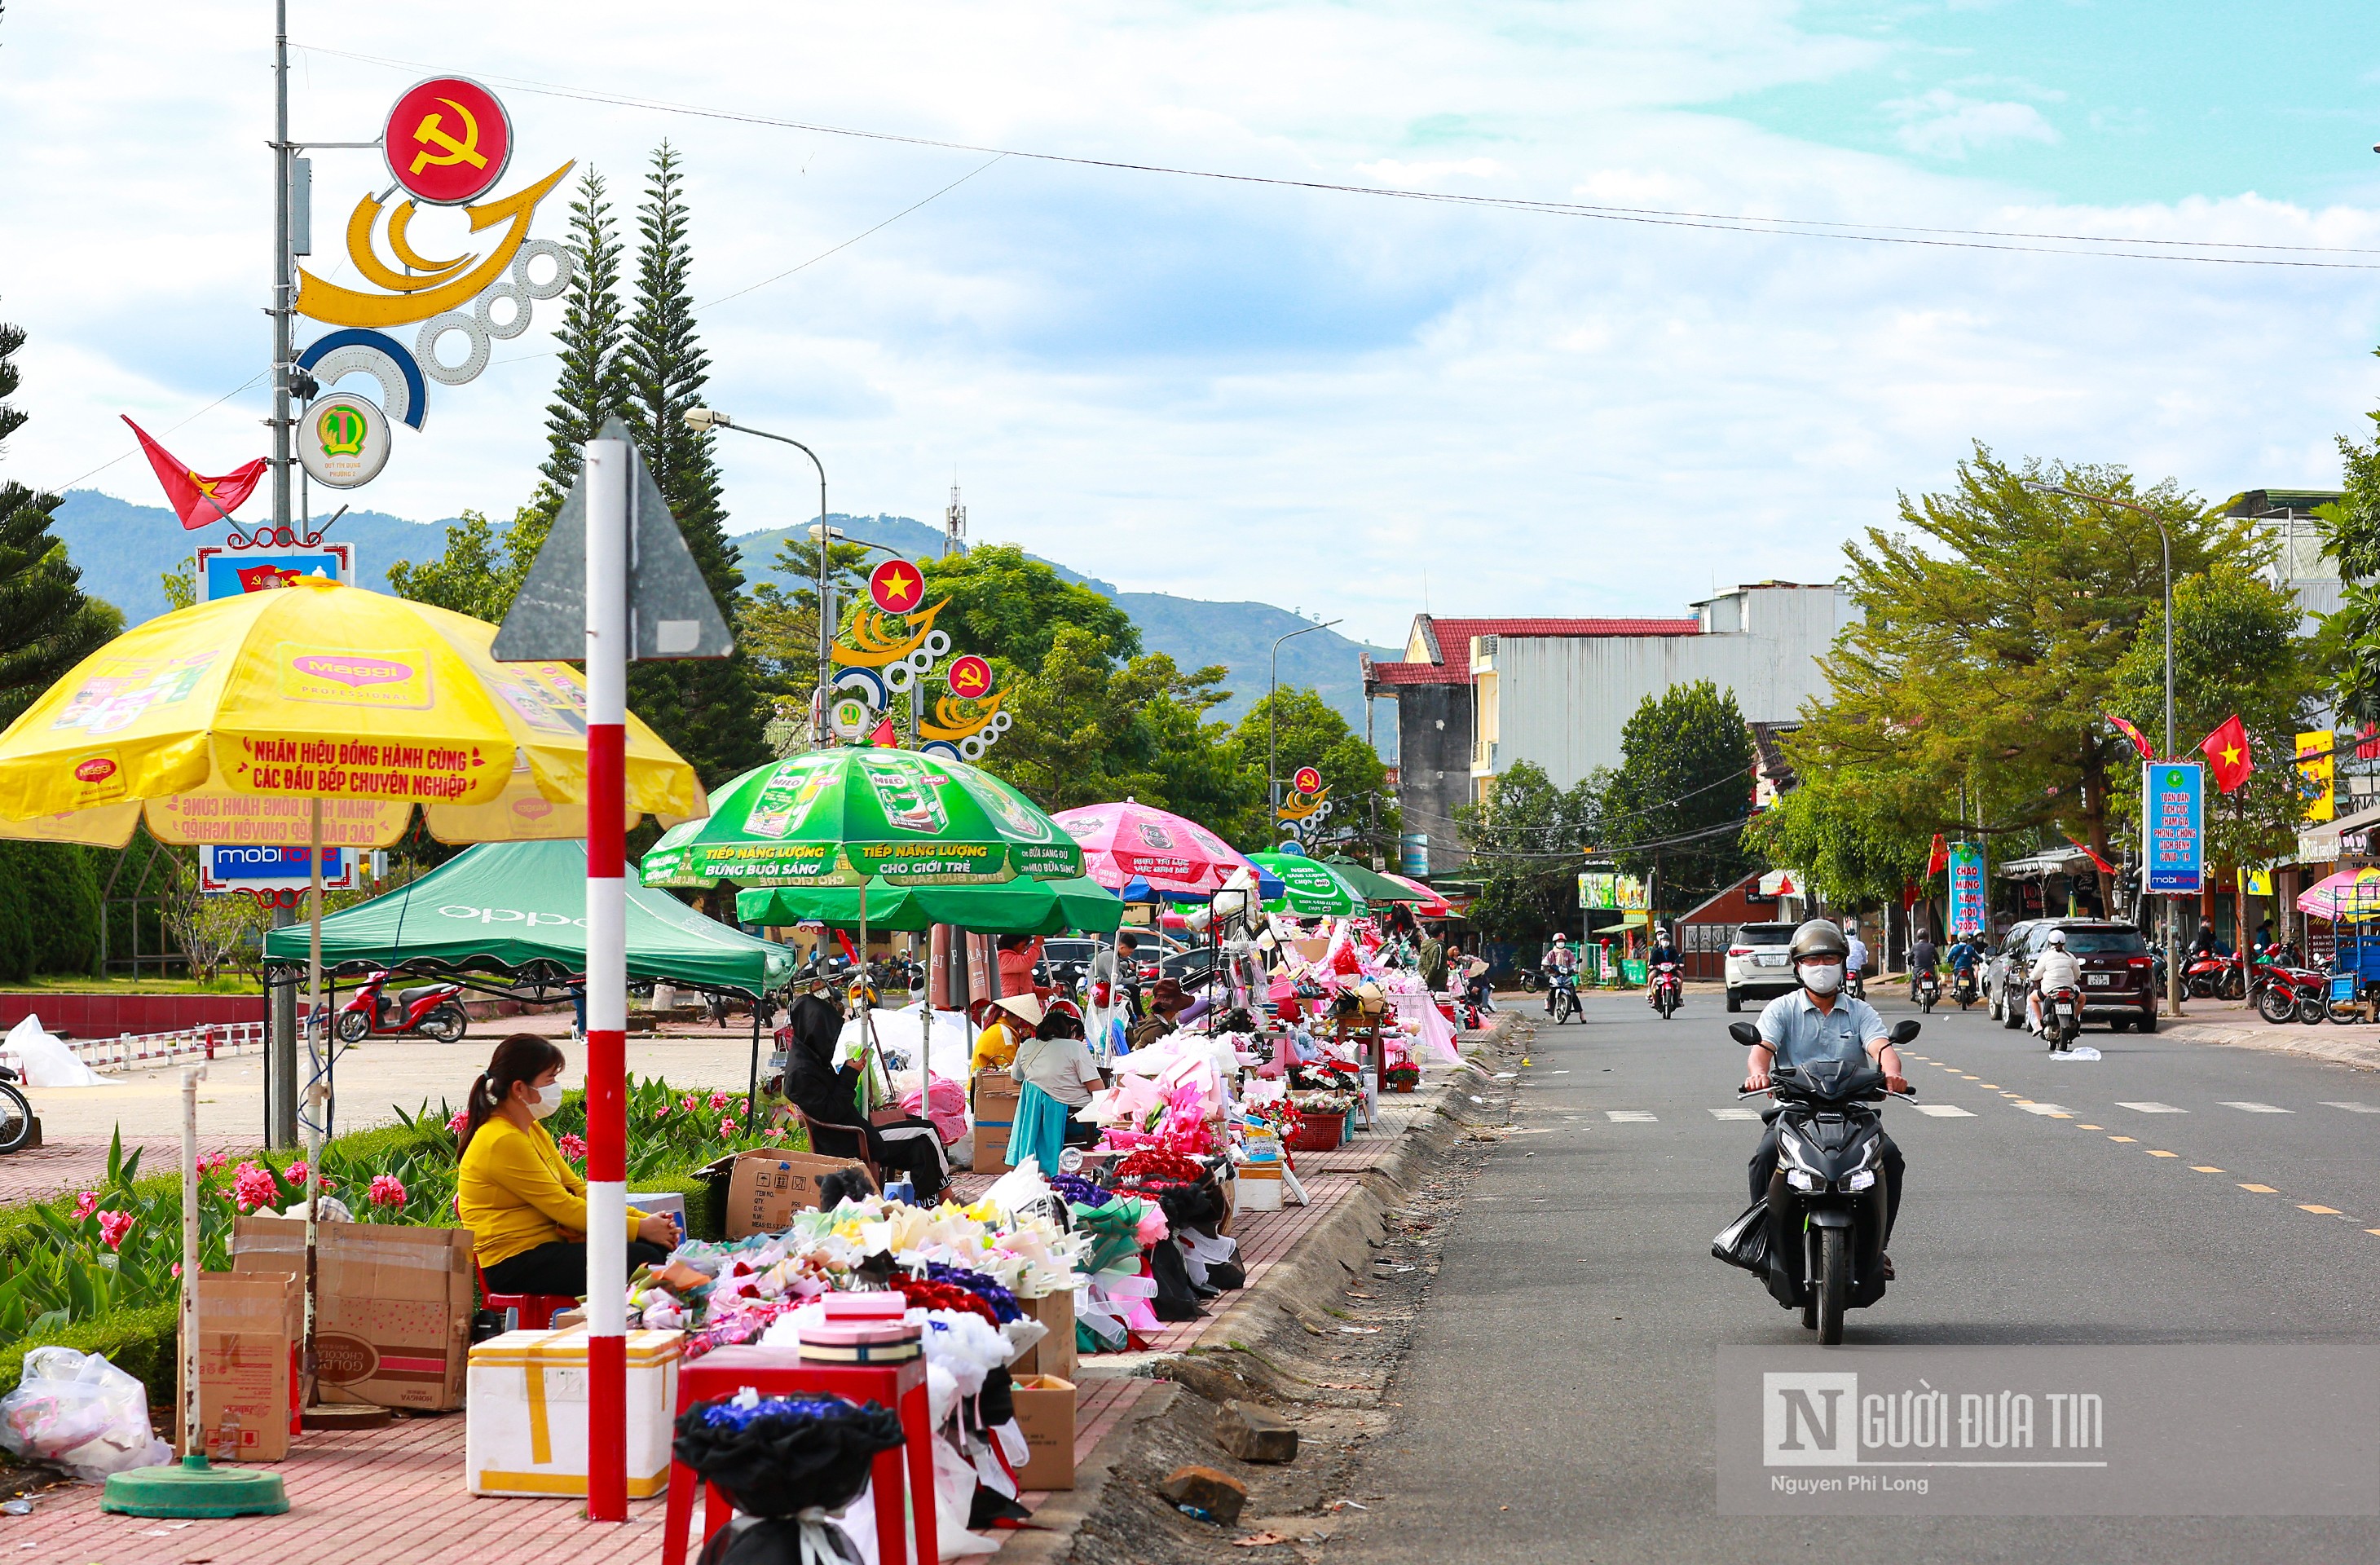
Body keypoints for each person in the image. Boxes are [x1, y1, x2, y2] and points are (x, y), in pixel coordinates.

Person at [1742, 920, 1909, 1273]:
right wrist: (1758, 1073)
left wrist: (1892, 1073)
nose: (1821, 968)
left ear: (1843, 964)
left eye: (1829, 959)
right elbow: (1762, 1050)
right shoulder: (1782, 1009)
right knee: (1764, 1157)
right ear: (1798, 966)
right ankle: (1764, 1242)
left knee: (1891, 1159)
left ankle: (1878, 1246)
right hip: (1795, 1112)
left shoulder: (1860, 1011)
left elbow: (1881, 1047)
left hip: (1853, 1113)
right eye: (1812, 961)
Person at [459, 1034, 680, 1297]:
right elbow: (564, 1207)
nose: (556, 1087)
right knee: (639, 1257)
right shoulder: (501, 1140)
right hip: (513, 1262)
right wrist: (640, 1227)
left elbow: (577, 1190)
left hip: (548, 1247)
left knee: (652, 1247)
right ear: (520, 1088)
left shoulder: (530, 1129)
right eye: (549, 1079)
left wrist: (647, 1222)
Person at [779, 994, 950, 1199]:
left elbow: (832, 1103)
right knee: (926, 1131)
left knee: (921, 1144)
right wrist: (849, 1075)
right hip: (849, 1138)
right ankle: (947, 1196)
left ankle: (930, 1201)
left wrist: (849, 1073)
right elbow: (832, 1111)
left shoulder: (809, 1058)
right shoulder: (801, 1071)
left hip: (855, 1130)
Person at [1009, 1006, 1110, 1171]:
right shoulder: (1074, 1047)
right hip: (1077, 1122)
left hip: (1035, 1123)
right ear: (1067, 1030)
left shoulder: (1026, 1046)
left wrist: (1043, 1093)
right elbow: (1098, 1089)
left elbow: (1015, 1079)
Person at [2026, 928, 2082, 1036]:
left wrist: (2031, 975)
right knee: (2082, 998)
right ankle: (2074, 1019)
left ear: (2050, 942)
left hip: (2049, 991)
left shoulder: (2046, 956)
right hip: (2069, 990)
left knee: (2032, 998)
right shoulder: (2070, 956)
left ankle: (2039, 1023)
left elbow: (2036, 975)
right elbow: (2077, 974)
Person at [970, 992, 1044, 1073]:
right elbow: (1011, 1073)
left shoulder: (999, 1028)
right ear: (1019, 1017)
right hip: (984, 1084)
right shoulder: (1005, 1035)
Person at [996, 934, 1049, 1003]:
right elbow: (1027, 962)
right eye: (1023, 945)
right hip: (1010, 1007)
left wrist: (1046, 992)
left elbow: (1031, 990)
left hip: (1023, 1006)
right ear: (1013, 944)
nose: (1025, 948)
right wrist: (1036, 945)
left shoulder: (1020, 962)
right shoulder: (1003, 958)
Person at [1544, 933, 1578, 1013]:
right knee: (1552, 989)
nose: (1560, 943)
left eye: (1562, 941)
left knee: (1573, 992)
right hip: (1554, 975)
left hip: (1566, 976)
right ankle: (1548, 1003)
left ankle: (1579, 1010)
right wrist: (1546, 965)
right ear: (1555, 943)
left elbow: (1573, 963)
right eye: (1559, 941)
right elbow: (1546, 960)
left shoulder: (1568, 953)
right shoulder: (1551, 953)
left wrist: (1574, 969)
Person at [1908, 930, 1938, 1001]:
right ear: (1927, 937)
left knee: (1914, 979)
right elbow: (1936, 956)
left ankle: (1913, 994)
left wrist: (1910, 962)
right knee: (1934, 979)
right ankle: (1936, 992)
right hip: (1929, 968)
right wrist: (1938, 962)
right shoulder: (1931, 946)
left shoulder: (1914, 946)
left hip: (1918, 969)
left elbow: (1910, 957)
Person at [1418, 925, 1448, 993]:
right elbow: (1435, 966)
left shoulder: (1424, 946)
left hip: (1428, 982)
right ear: (1441, 934)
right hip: (1438, 982)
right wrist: (1428, 979)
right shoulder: (1438, 947)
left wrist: (1425, 975)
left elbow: (1420, 964)